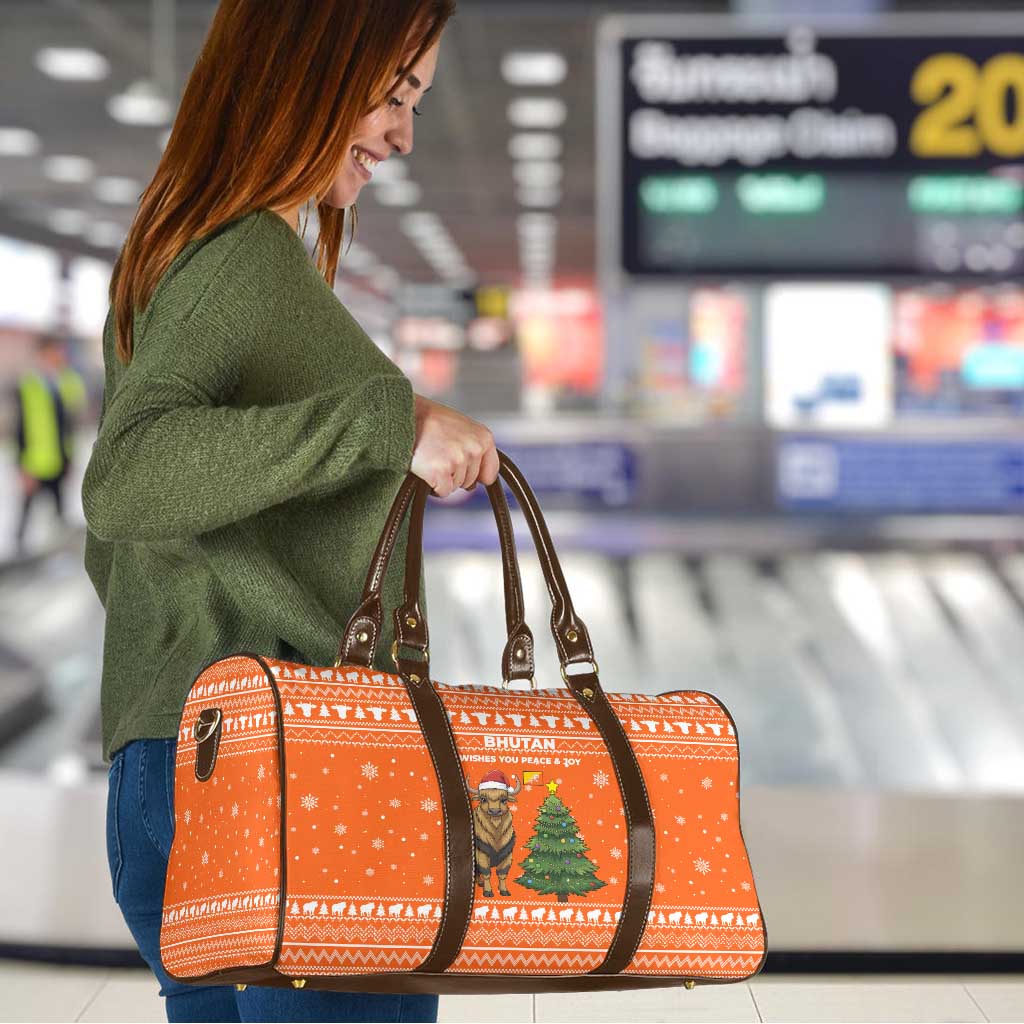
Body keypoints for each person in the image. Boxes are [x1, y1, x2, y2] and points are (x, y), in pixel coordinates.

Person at [81, 2, 497, 1021]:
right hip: (296, 771)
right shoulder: (240, 260)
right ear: (306, 65)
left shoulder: (184, 251)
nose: (402, 132)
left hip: (181, 755)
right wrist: (385, 423)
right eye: (395, 94)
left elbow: (134, 535)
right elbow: (126, 477)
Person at [11, 331, 85, 556]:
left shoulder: (65, 381)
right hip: (35, 462)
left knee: (60, 511)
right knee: (26, 512)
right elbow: (20, 428)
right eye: (54, 351)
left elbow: (71, 419)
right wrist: (22, 466)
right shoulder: (28, 385)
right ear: (43, 353)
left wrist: (70, 458)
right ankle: (18, 554)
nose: (59, 355)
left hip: (60, 459)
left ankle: (59, 554)